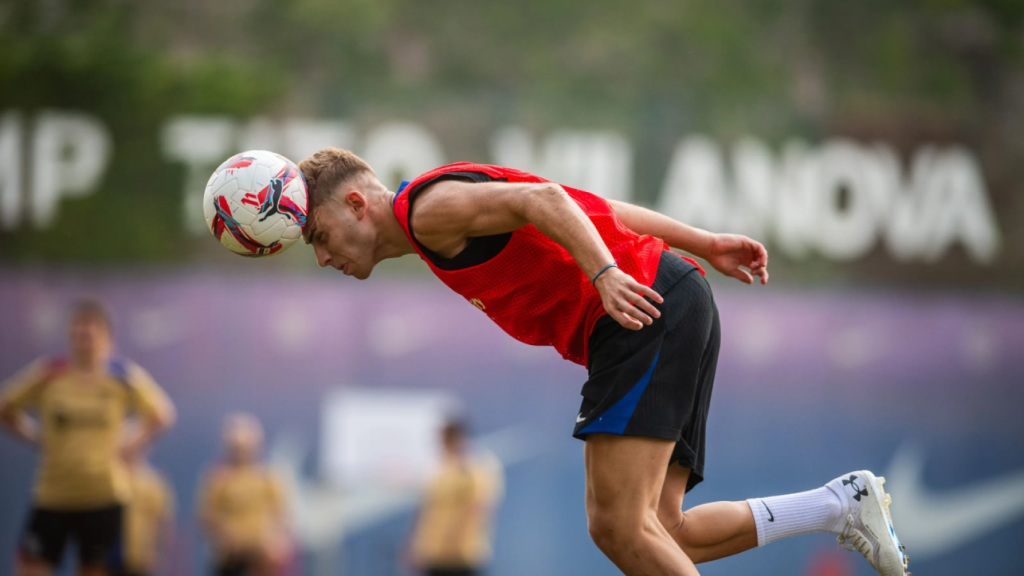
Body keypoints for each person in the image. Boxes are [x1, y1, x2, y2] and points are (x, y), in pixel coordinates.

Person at [295, 148, 910, 576]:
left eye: (319, 235)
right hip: (668, 294)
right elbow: (590, 206)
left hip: (639, 308)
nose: (322, 257)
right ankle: (838, 504)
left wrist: (606, 273)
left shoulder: (426, 212)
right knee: (664, 530)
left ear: (356, 204)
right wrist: (704, 242)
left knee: (617, 526)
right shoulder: (432, 209)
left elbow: (544, 198)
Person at [0, 298, 176, 576]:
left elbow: (162, 413)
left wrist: (131, 440)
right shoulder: (50, 373)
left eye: (90, 334)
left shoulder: (121, 376)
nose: (83, 341)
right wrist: (34, 435)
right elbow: (6, 407)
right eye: (77, 334)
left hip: (103, 496)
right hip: (53, 495)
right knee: (30, 567)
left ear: (107, 337)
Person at [199, 413, 290, 576]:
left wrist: (274, 544)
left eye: (246, 447)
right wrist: (225, 538)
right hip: (229, 560)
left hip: (261, 561)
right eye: (237, 447)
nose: (242, 452)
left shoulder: (267, 478)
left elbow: (281, 518)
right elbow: (207, 519)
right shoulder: (218, 479)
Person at [410, 419, 503, 576]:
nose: (443, 447)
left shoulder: (477, 466)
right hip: (435, 553)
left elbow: (478, 507)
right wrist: (417, 545)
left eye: (446, 441)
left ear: (458, 439)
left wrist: (454, 538)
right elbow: (428, 510)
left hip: (463, 554)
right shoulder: (442, 469)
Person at [121, 445, 175, 576]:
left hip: (142, 556)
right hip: (112, 556)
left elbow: (163, 520)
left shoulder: (152, 482)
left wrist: (161, 552)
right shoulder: (112, 481)